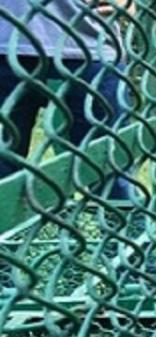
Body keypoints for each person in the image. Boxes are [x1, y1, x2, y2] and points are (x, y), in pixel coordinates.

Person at [0, 0, 136, 200]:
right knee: (3, 166)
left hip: (90, 47)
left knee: (110, 167)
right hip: (6, 47)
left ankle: (120, 226)